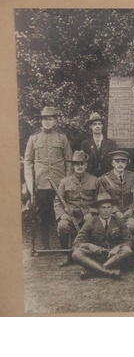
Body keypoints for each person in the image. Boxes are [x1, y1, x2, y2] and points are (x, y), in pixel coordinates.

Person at [23, 106, 72, 250]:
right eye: (45, 119)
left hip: (59, 183)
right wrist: (31, 186)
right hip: (42, 184)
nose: (47, 122)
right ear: (41, 121)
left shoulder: (62, 138)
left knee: (62, 214)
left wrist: (67, 182)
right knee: (44, 216)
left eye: (50, 119)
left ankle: (63, 245)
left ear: (55, 121)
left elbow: (68, 161)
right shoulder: (34, 139)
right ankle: (45, 245)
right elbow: (28, 162)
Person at [72, 193, 133, 280]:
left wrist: (118, 247)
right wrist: (89, 245)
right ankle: (109, 272)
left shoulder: (119, 221)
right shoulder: (90, 222)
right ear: (98, 209)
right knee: (76, 253)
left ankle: (93, 271)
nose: (106, 210)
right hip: (96, 256)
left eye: (109, 207)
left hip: (114, 256)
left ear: (112, 209)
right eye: (103, 207)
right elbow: (76, 244)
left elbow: (129, 241)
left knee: (127, 250)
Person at [54, 150, 99, 252]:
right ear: (73, 166)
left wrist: (92, 213)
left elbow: (98, 200)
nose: (79, 167)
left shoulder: (94, 180)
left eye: (82, 164)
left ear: (86, 165)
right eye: (76, 164)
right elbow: (57, 202)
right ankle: (66, 252)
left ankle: (91, 252)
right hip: (71, 215)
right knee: (62, 226)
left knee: (96, 227)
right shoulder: (64, 182)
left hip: (88, 214)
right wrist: (62, 215)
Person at [98, 150, 134, 234]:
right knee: (112, 230)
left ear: (126, 163)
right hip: (111, 214)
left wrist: (131, 209)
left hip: (129, 213)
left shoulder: (133, 177)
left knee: (131, 226)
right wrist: (115, 212)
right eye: (117, 161)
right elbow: (104, 200)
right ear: (113, 164)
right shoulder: (104, 179)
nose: (120, 164)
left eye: (123, 161)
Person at [80, 112, 117, 177]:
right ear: (90, 126)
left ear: (102, 126)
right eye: (94, 124)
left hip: (108, 178)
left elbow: (115, 162)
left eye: (99, 124)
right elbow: (82, 162)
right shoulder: (85, 144)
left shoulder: (111, 143)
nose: (97, 126)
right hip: (90, 177)